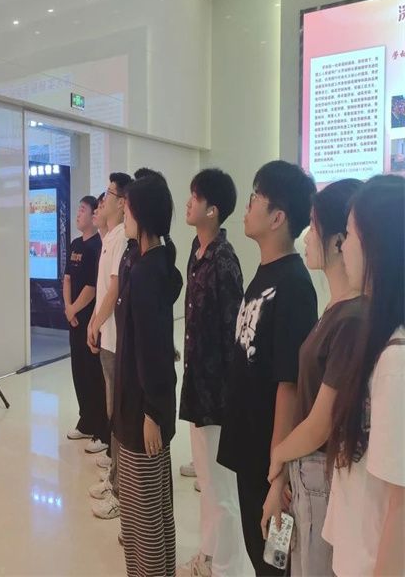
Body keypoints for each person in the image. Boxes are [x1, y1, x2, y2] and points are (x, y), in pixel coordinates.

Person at [217, 160, 317, 576]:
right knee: (260, 553)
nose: (248, 204)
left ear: (278, 217)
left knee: (275, 562)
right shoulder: (265, 273)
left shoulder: (294, 285)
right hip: (249, 448)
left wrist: (278, 474)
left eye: (256, 197)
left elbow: (288, 384)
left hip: (270, 459)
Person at [261, 179, 363, 576]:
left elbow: (321, 422)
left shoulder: (352, 318)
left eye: (314, 227)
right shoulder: (336, 309)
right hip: (306, 471)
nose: (306, 236)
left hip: (321, 474)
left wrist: (278, 456)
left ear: (339, 241)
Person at [321, 175, 404, 577]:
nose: (343, 246)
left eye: (350, 234)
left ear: (376, 246)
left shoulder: (395, 363)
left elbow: (401, 507)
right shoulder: (379, 339)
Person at [177, 169, 251, 577]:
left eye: (196, 196)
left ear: (213, 210)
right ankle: (208, 556)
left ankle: (227, 568)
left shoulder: (224, 261)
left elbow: (234, 335)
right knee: (207, 482)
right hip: (196, 389)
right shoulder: (197, 250)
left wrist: (230, 398)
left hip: (218, 397)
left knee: (222, 490)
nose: (188, 202)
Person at [114, 169, 182, 577]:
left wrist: (152, 413)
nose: (123, 216)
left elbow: (152, 350)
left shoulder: (145, 272)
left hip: (142, 411)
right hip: (143, 405)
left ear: (142, 216)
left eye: (127, 210)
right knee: (153, 511)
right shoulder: (152, 262)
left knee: (144, 519)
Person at [87, 173, 131, 520]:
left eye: (108, 194)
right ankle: (114, 476)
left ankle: (118, 487)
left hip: (116, 338)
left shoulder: (121, 239)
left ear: (122, 202)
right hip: (108, 336)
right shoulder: (110, 238)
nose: (103, 201)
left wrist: (95, 322)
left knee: (117, 413)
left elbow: (114, 288)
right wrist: (96, 323)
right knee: (111, 410)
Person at [64, 196, 109, 454]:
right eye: (78, 209)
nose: (78, 214)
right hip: (74, 319)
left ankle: (101, 426)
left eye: (83, 210)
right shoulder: (74, 244)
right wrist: (67, 307)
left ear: (94, 215)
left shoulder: (97, 246)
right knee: (78, 371)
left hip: (89, 320)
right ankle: (86, 420)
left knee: (94, 374)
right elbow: (68, 278)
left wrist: (74, 308)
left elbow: (93, 287)